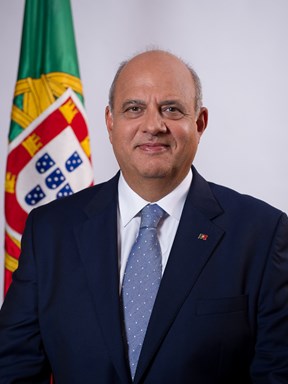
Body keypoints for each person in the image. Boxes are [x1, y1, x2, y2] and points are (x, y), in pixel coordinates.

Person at [0, 49, 288, 384]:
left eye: (171, 109)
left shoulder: (263, 235)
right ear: (111, 121)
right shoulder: (49, 232)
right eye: (134, 108)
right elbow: (13, 369)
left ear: (200, 122)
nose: (153, 125)